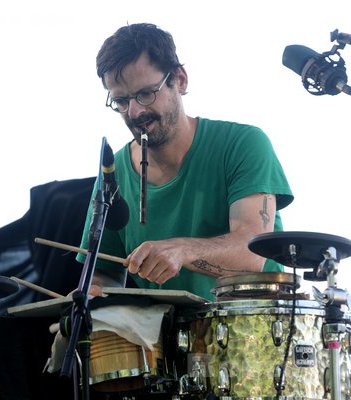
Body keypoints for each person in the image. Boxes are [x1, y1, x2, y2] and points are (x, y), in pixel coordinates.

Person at [76, 23, 293, 300]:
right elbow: (104, 270)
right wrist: (93, 294)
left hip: (254, 333)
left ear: (179, 79)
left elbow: (253, 254)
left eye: (145, 94)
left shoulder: (244, 143)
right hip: (161, 339)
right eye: (121, 101)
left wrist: (184, 250)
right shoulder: (113, 172)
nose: (134, 111)